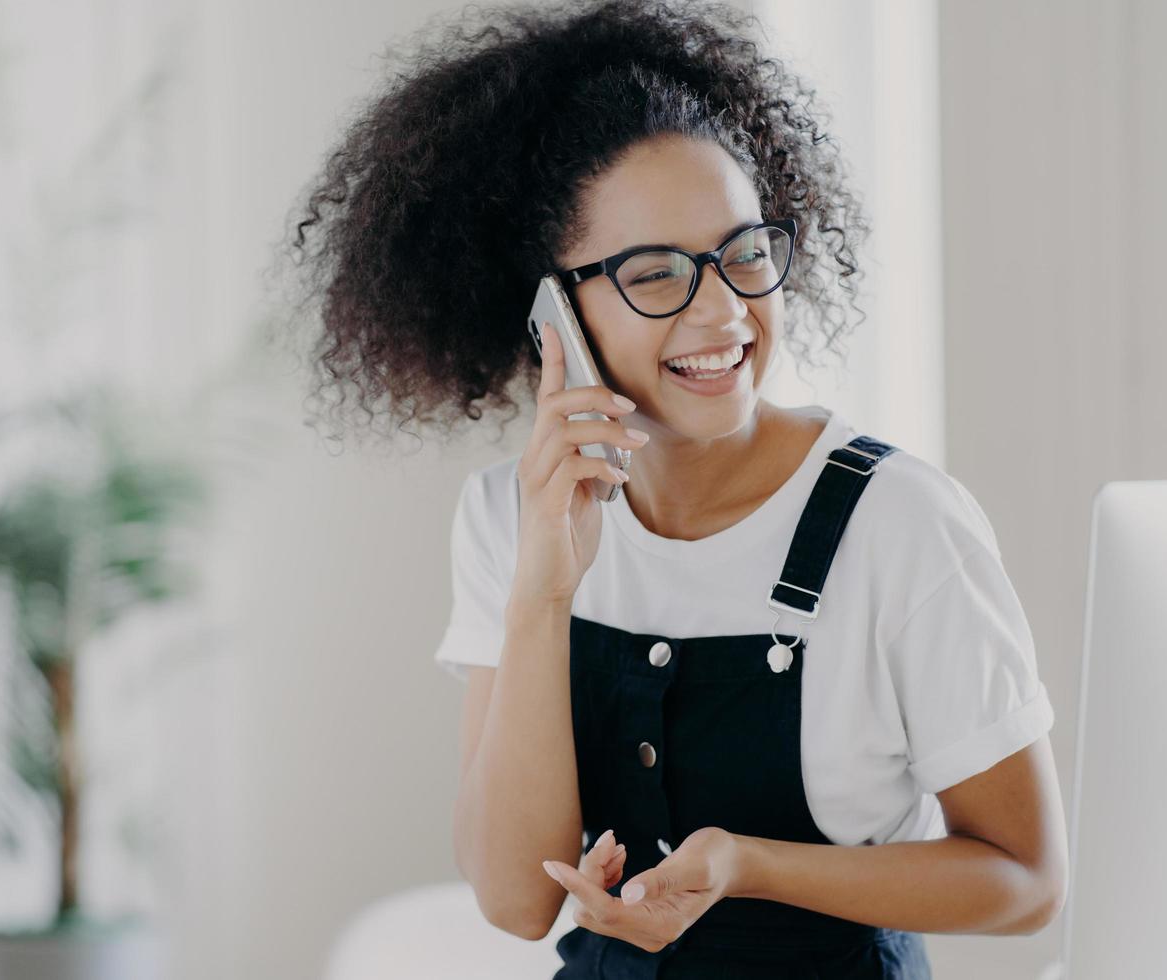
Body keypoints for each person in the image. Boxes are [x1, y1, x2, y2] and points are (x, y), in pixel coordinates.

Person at [283, 1, 1068, 976]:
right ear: (551, 312)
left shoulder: (900, 521)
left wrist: (746, 865)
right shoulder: (504, 518)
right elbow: (515, 899)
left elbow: (1028, 877)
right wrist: (545, 585)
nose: (724, 309)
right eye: (656, 273)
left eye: (744, 253)